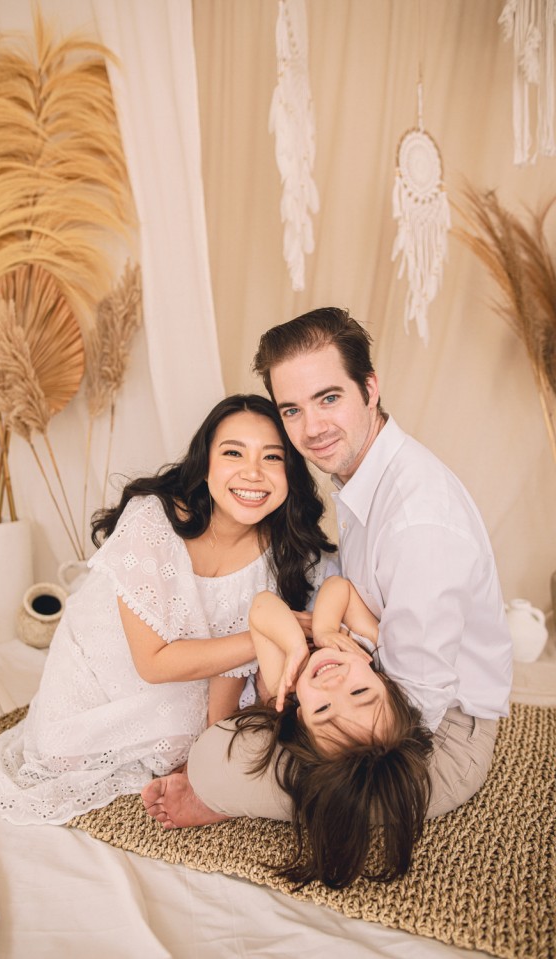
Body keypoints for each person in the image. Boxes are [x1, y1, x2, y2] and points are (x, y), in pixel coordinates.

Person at [142, 307, 513, 888]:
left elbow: (415, 707)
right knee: (235, 726)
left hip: (435, 733)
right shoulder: (365, 475)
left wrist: (300, 720)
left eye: (329, 398)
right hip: (370, 683)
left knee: (217, 762)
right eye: (292, 409)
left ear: (370, 389)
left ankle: (231, 793)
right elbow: (341, 598)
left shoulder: (419, 525)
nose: (311, 427)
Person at [0, 393, 335, 825]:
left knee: (222, 739)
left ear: (290, 471)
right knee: (61, 753)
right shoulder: (152, 518)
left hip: (198, 671)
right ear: (205, 465)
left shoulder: (277, 553)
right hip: (107, 665)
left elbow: (230, 671)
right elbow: (152, 663)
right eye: (233, 453)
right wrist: (264, 634)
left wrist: (206, 761)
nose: (253, 473)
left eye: (272, 457)